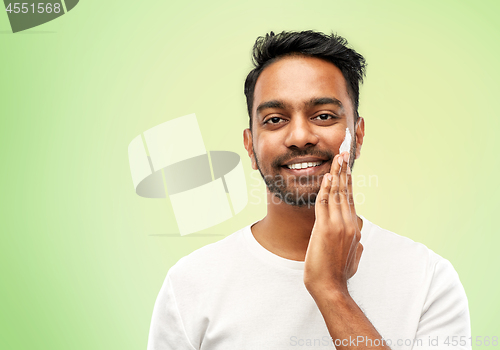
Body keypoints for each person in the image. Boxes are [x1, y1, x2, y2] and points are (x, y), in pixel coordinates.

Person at [147, 31, 471, 350]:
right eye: (275, 119)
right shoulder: (190, 285)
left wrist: (331, 290)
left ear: (357, 135)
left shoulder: (428, 280)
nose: (300, 136)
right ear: (250, 146)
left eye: (324, 116)